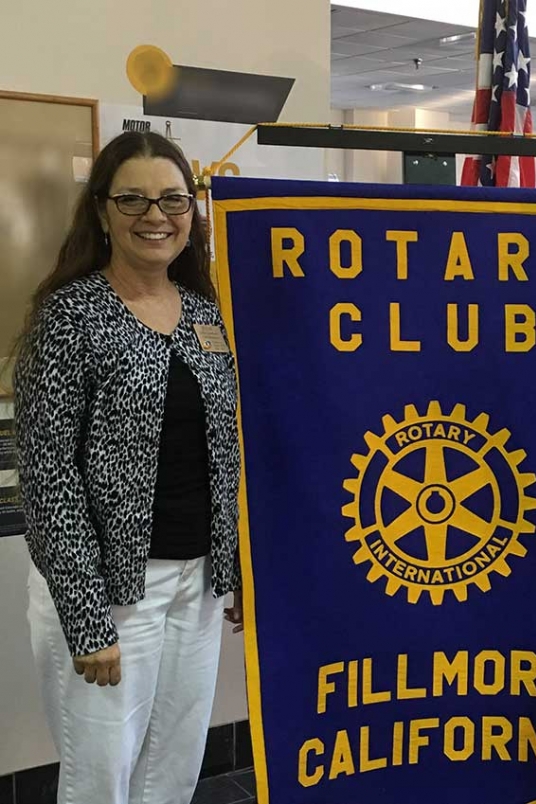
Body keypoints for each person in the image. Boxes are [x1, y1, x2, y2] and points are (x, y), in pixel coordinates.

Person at [14, 131, 244, 804]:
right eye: (134, 198)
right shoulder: (70, 315)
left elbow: (224, 449)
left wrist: (233, 570)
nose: (156, 215)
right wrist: (89, 619)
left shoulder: (206, 314)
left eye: (173, 198)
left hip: (196, 584)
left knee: (172, 769)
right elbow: (50, 476)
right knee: (101, 780)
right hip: (113, 591)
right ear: (101, 211)